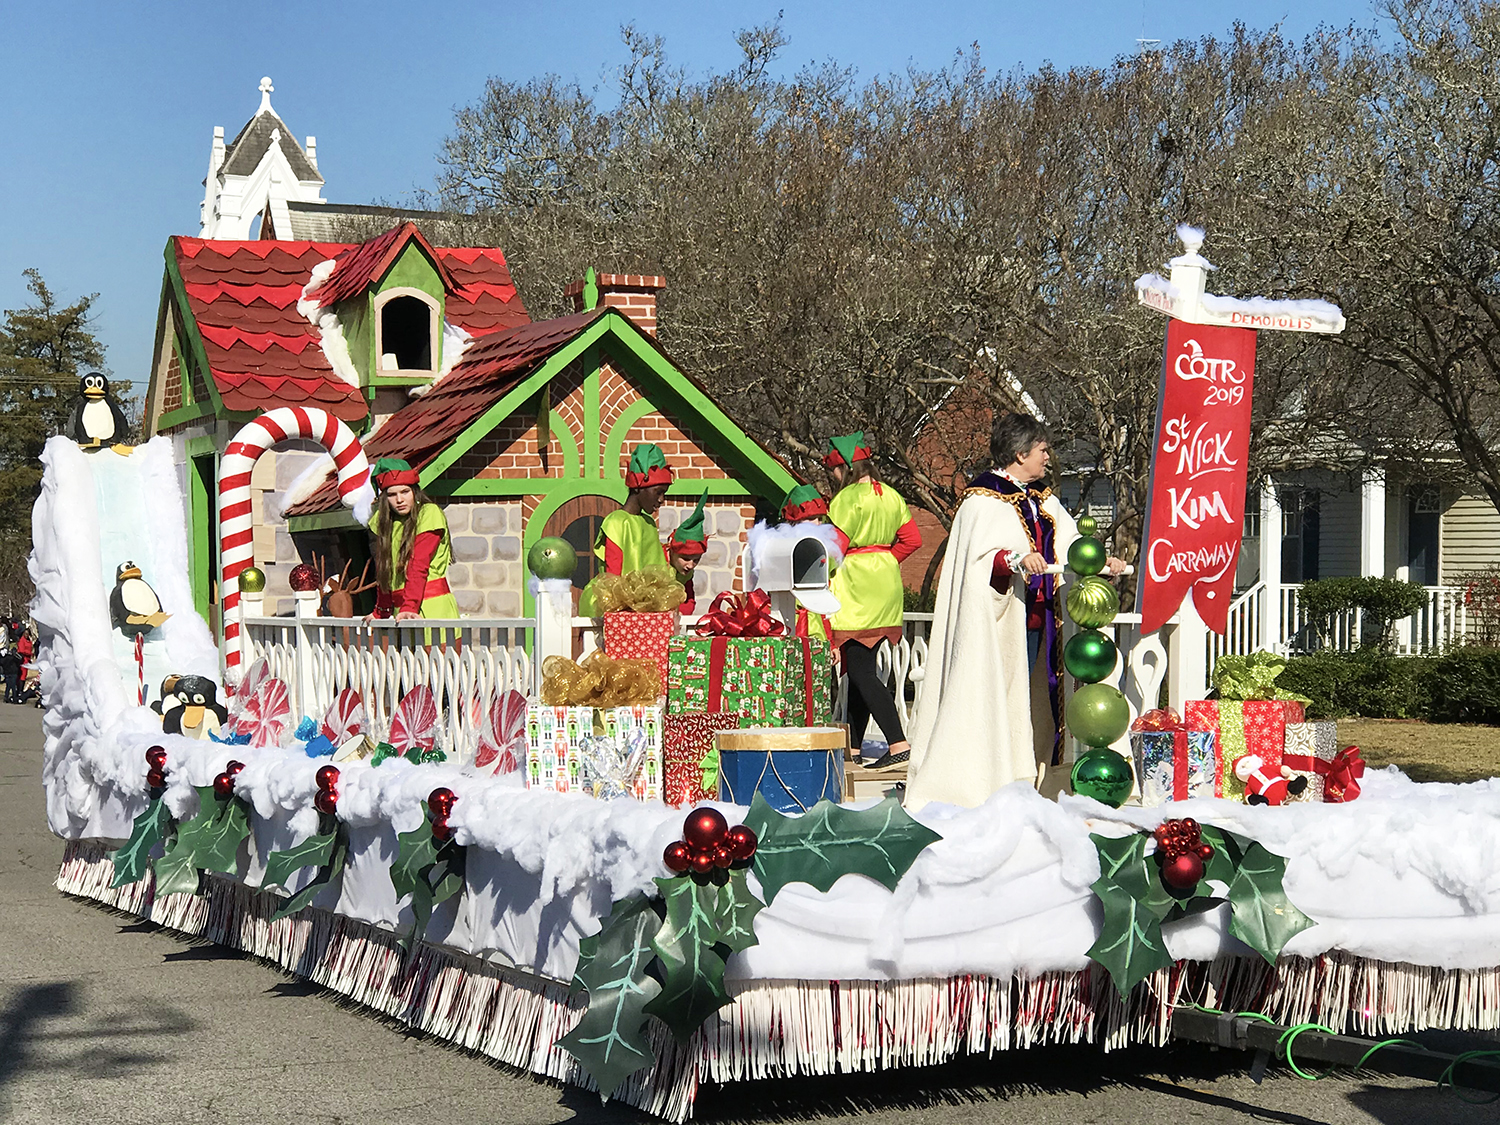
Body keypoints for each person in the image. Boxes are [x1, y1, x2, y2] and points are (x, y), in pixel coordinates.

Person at [904, 414, 1127, 809]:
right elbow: (977, 563)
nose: (1048, 457)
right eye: (1042, 450)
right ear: (1020, 452)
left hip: (1045, 621)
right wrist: (1012, 559)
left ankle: (1038, 779)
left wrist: (1099, 561)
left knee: (1038, 705)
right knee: (1004, 700)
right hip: (1003, 625)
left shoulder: (1045, 499)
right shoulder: (982, 502)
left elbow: (1071, 543)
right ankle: (997, 781)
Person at [824, 433, 922, 769]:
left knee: (861, 668)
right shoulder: (892, 496)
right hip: (886, 582)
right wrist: (885, 560)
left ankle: (898, 743)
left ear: (845, 469)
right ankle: (851, 748)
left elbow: (835, 547)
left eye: (835, 471)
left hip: (856, 587)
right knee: (859, 665)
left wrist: (823, 575)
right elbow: (913, 539)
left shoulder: (848, 499)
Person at [579, 444, 673, 615]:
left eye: (664, 493)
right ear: (638, 486)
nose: (661, 500)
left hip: (648, 613)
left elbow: (660, 570)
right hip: (620, 611)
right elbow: (613, 574)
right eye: (658, 492)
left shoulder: (649, 524)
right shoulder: (616, 522)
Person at [367, 458, 459, 621]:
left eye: (405, 492)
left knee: (437, 647)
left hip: (430, 609)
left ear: (414, 491)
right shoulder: (386, 523)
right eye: (392, 495)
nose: (399, 500)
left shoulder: (428, 513)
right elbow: (385, 570)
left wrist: (409, 606)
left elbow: (418, 563)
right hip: (402, 612)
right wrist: (381, 610)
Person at [780, 484, 836, 641]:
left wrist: (831, 643)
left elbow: (822, 601)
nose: (818, 523)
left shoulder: (821, 552)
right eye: (811, 518)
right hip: (785, 630)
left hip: (816, 635)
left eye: (819, 518)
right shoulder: (779, 552)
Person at [665, 492, 709, 614]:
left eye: (696, 560)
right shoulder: (659, 562)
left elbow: (689, 599)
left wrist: (681, 612)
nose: (690, 565)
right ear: (672, 551)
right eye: (685, 558)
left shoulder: (686, 572)